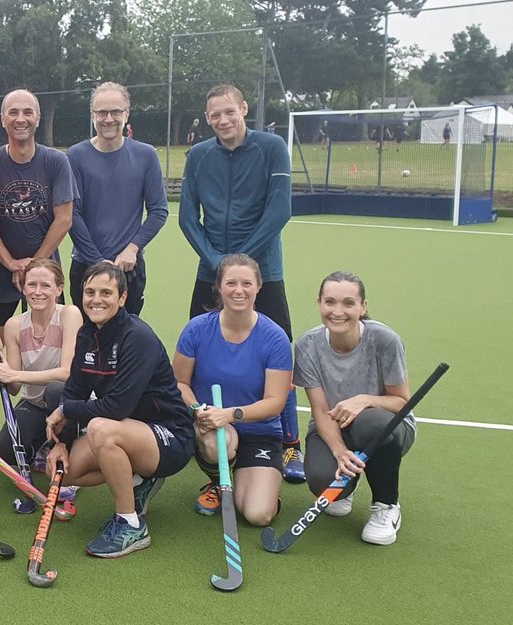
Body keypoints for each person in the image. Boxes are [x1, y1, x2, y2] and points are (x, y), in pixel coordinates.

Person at [178, 83, 304, 483]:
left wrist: (241, 266)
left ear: (244, 109)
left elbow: (279, 209)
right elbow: (186, 217)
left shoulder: (270, 147)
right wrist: (217, 264)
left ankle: (289, 444)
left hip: (263, 270)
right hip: (209, 271)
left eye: (229, 112)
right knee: (200, 352)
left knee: (279, 355)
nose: (222, 120)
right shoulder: (198, 155)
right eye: (215, 115)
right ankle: (206, 433)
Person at [44, 263, 194, 558]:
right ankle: (139, 480)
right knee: (67, 471)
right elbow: (73, 389)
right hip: (127, 428)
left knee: (101, 428)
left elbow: (116, 407)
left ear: (122, 297)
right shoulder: (87, 334)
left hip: (170, 437)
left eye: (106, 292)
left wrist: (64, 410)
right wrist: (60, 444)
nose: (96, 299)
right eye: (89, 292)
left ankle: (130, 524)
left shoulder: (137, 337)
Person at [0, 88, 75, 436]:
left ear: (37, 117)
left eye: (28, 112)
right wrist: (10, 262)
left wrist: (33, 265)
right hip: (1, 272)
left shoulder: (55, 161)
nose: (21, 119)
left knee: (57, 343)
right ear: (3, 119)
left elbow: (64, 218)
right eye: (13, 112)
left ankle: (59, 418)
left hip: (44, 273)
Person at [294, 271, 414, 546]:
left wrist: (365, 400)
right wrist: (339, 452)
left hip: (387, 427)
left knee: (371, 424)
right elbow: (320, 410)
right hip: (333, 427)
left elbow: (401, 402)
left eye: (348, 303)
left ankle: (386, 506)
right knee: (324, 482)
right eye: (330, 302)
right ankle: (345, 487)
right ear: (319, 303)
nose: (338, 311)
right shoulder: (307, 345)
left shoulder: (386, 340)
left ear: (363, 306)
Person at [172, 254, 291, 526]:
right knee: (218, 443)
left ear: (259, 286)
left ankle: (256, 486)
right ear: (219, 287)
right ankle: (217, 483)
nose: (239, 291)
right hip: (213, 425)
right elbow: (179, 382)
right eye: (231, 283)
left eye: (247, 283)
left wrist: (230, 414)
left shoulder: (274, 337)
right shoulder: (197, 329)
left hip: (260, 432)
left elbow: (275, 402)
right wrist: (197, 410)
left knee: (257, 515)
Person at [0, 259, 83, 511]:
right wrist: (1, 361)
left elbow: (66, 374)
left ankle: (69, 453)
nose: (38, 291)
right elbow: (14, 387)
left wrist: (15, 375)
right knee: (7, 449)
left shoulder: (69, 314)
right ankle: (43, 447)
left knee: (55, 390)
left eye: (45, 285)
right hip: (34, 402)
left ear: (59, 289)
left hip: (68, 402)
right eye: (32, 285)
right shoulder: (16, 325)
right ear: (23, 288)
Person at [67, 82, 168, 314]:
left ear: (127, 114)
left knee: (128, 341)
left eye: (116, 112)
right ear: (93, 115)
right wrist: (97, 261)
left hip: (128, 268)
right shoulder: (75, 156)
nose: (108, 119)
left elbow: (158, 210)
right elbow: (72, 213)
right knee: (86, 340)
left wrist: (132, 249)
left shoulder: (146, 155)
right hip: (85, 266)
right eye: (101, 112)